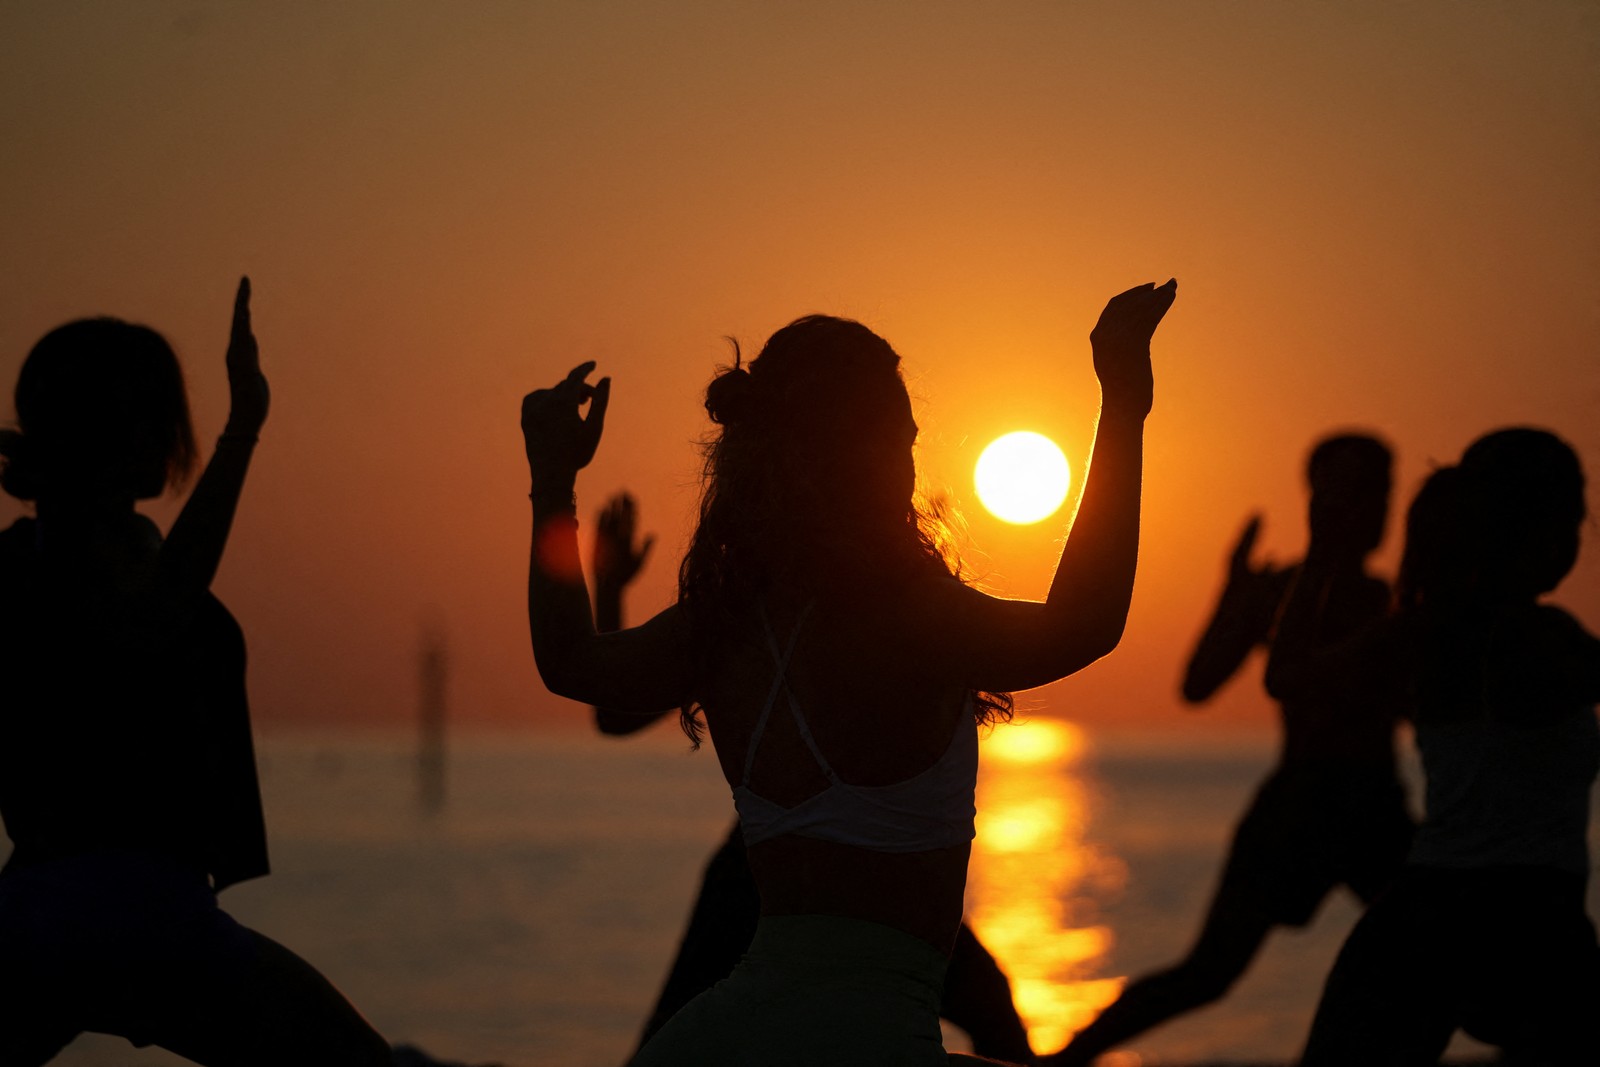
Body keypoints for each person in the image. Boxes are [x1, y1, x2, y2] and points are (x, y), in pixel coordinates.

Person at [521, 279, 1176, 1066]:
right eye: (900, 439)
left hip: (716, 1043)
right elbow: (1083, 623)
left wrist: (554, 483)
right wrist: (1124, 404)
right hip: (869, 1045)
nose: (908, 459)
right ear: (859, 453)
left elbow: (572, 664)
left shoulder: (723, 624)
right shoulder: (910, 616)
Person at [0, 280, 392, 1066]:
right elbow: (157, 611)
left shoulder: (64, 554)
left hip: (53, 906)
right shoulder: (65, 561)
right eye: (151, 412)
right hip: (135, 915)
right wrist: (243, 429)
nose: (166, 433)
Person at [588, 492, 1036, 1064]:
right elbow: (614, 712)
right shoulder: (751, 624)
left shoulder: (895, 618)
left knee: (988, 1007)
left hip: (874, 888)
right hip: (766, 883)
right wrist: (608, 584)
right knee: (678, 1036)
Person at [1046, 434, 1413, 1065]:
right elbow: (1198, 685)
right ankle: (1057, 1062)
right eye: (1346, 493)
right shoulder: (1286, 593)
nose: (1363, 511)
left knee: (1427, 963)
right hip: (1299, 809)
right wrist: (1233, 600)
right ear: (1316, 500)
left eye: (1377, 493)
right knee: (1210, 973)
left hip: (1374, 807)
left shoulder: (1395, 601)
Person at [1294, 428, 1600, 1065]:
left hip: (1420, 917)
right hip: (1534, 924)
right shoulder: (1551, 640)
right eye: (1574, 519)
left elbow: (1289, 679)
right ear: (1540, 532)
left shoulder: (1420, 630)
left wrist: (1321, 554)